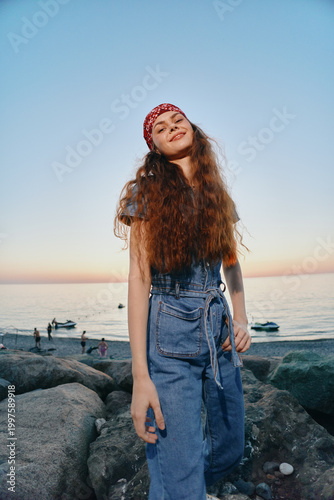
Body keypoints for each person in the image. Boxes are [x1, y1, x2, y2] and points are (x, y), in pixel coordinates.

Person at [113, 103, 251, 499]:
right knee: (180, 475)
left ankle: (175, 481)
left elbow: (232, 265)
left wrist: (240, 318)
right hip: (168, 336)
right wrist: (141, 375)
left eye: (178, 120)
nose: (172, 127)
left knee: (229, 450)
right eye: (160, 128)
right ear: (153, 146)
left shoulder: (216, 193)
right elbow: (139, 279)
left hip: (218, 331)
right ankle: (179, 485)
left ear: (193, 129)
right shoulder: (146, 193)